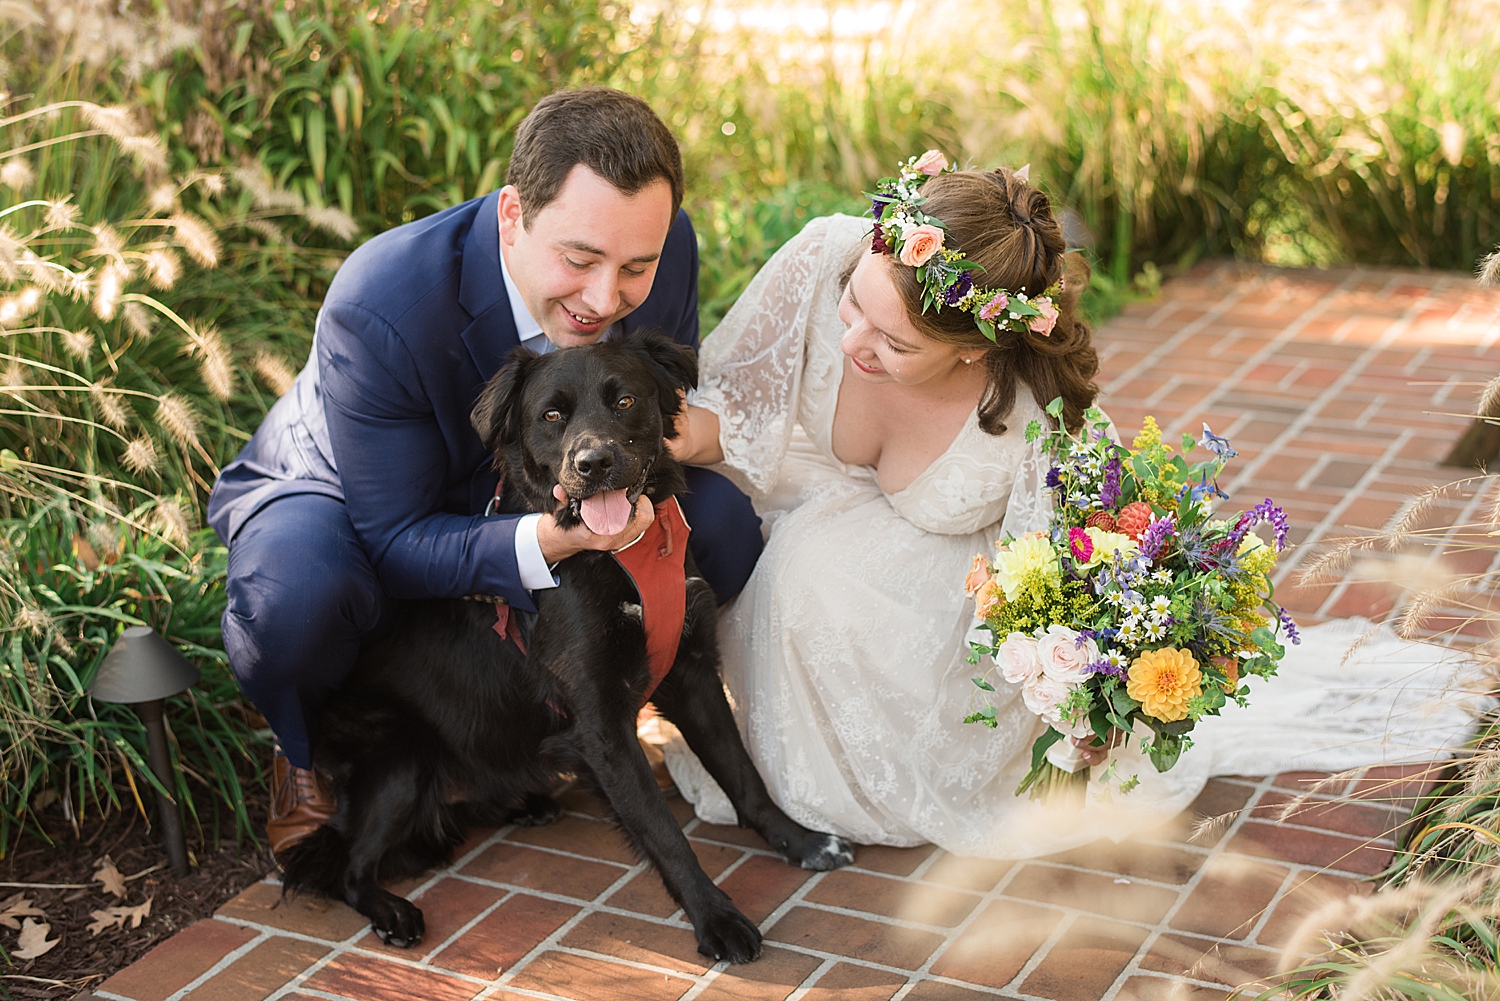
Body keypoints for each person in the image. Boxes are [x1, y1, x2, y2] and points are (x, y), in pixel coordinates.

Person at [659, 157, 1482, 857]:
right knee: (803, 562)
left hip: (951, 589)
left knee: (822, 574)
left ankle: (892, 768)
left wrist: (1089, 691)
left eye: (894, 343)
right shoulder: (826, 256)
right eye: (854, 305)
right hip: (810, 509)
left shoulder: (1033, 414)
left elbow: (1076, 565)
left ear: (973, 348)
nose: (851, 343)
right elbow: (723, 408)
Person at [206, 88, 764, 859]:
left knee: (726, 527)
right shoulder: (383, 300)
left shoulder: (666, 247)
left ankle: (583, 698)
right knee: (297, 599)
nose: (607, 297)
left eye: (636, 265)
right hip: (355, 490)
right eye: (578, 259)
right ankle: (306, 753)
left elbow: (651, 412)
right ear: (512, 216)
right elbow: (396, 534)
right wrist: (545, 540)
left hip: (549, 469)